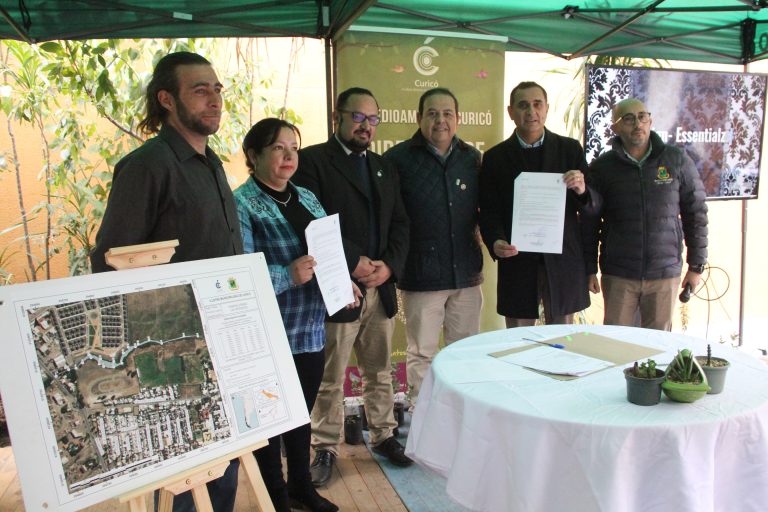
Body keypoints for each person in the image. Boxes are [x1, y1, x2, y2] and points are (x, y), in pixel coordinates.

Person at [90, 52, 241, 512]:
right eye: (200, 89)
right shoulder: (147, 166)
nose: (214, 98)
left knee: (224, 466)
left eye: (217, 89)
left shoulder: (212, 164)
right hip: (175, 354)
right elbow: (111, 262)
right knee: (182, 477)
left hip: (225, 340)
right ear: (167, 100)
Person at [234, 118, 360, 512]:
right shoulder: (241, 204)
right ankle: (275, 498)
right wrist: (286, 274)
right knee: (271, 422)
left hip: (309, 330)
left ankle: (300, 487)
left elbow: (328, 252)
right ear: (253, 156)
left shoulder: (306, 196)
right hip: (268, 335)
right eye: (278, 148)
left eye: (294, 147)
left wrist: (345, 283)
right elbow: (239, 273)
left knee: (300, 415)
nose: (289, 156)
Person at [292, 87, 411, 487]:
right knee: (332, 375)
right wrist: (353, 261)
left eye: (372, 119)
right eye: (357, 117)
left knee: (379, 371)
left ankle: (384, 435)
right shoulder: (310, 163)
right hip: (336, 288)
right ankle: (324, 446)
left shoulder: (384, 166)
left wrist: (389, 266)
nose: (365, 125)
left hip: (380, 286)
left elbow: (400, 222)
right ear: (336, 118)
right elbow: (311, 223)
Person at [383, 88, 483, 406]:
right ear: (418, 118)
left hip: (466, 273)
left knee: (465, 351)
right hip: (421, 274)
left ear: (458, 119)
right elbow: (391, 219)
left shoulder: (472, 158)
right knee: (422, 353)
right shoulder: (397, 160)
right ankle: (422, 419)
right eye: (432, 113)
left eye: (447, 113)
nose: (440, 120)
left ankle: (461, 413)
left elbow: (487, 208)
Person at [479, 81, 595, 327]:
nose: (530, 111)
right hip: (518, 261)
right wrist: (496, 240)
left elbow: (590, 205)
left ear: (546, 108)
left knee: (561, 341)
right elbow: (489, 210)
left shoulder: (570, 149)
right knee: (519, 341)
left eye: (536, 104)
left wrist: (582, 189)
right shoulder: (495, 157)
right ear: (511, 112)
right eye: (523, 105)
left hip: (562, 260)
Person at [586, 98, 708, 331]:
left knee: (658, 349)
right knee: (616, 345)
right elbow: (589, 221)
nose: (637, 124)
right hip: (619, 274)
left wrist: (696, 266)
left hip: (664, 274)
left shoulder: (676, 160)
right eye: (628, 118)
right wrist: (589, 268)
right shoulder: (602, 167)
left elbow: (696, 214)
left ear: (650, 121)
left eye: (642, 116)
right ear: (615, 128)